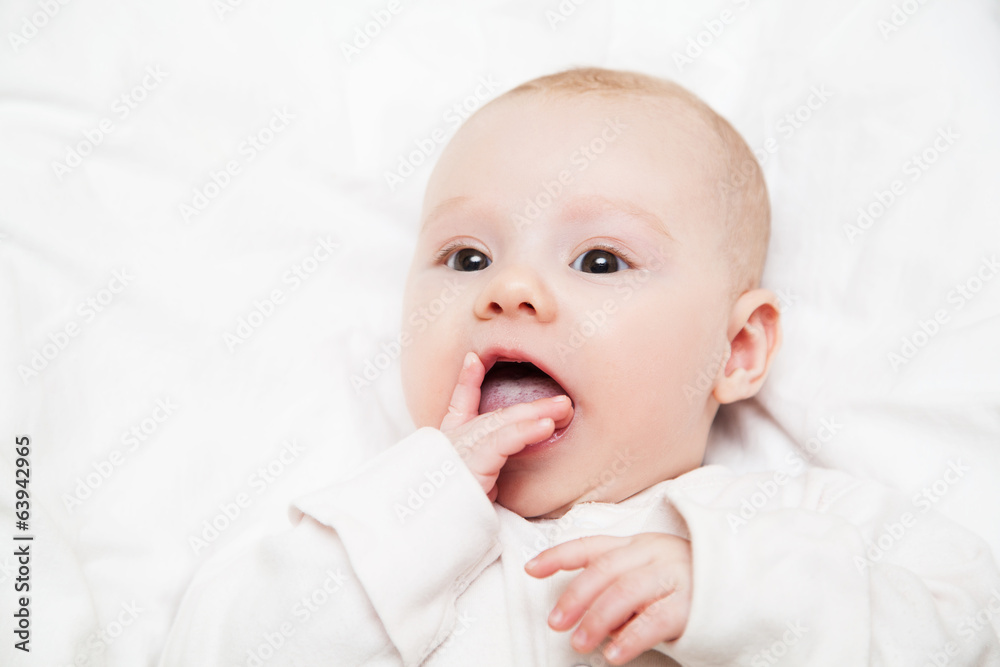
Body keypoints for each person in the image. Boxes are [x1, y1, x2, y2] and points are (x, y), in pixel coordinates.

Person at [158, 67, 1000, 666]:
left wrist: (737, 593)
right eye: (465, 256)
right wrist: (413, 509)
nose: (510, 288)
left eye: (599, 261)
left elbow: (966, 626)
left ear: (737, 350)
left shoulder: (790, 516)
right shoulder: (364, 535)